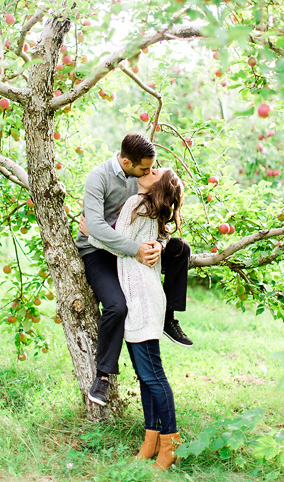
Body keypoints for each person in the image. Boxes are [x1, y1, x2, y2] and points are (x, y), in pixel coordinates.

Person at [76, 133, 192, 408]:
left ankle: (168, 317)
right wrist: (136, 249)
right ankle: (103, 377)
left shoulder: (146, 174)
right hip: (98, 250)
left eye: (153, 169)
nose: (150, 173)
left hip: (133, 247)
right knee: (117, 306)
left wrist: (160, 245)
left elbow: (161, 213)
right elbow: (96, 227)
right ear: (126, 162)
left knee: (181, 250)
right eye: (145, 169)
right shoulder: (99, 178)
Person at [86, 167, 184, 470]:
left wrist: (89, 229)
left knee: (153, 376)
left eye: (156, 171)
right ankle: (150, 441)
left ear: (157, 186)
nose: (149, 170)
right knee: (146, 376)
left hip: (141, 299)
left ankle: (170, 442)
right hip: (140, 295)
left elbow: (114, 243)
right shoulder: (150, 211)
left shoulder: (136, 204)